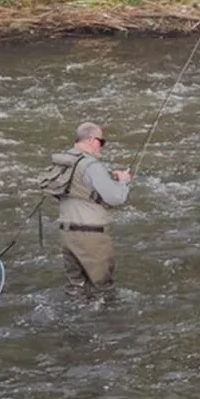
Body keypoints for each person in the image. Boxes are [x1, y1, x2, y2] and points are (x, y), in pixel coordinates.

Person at [49, 120, 132, 300]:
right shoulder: (91, 165)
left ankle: (73, 325)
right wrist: (123, 182)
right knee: (104, 291)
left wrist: (111, 177)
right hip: (91, 237)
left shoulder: (65, 162)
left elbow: (80, 188)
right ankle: (106, 326)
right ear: (92, 140)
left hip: (67, 234)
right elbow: (115, 198)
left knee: (76, 290)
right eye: (101, 142)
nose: (101, 147)